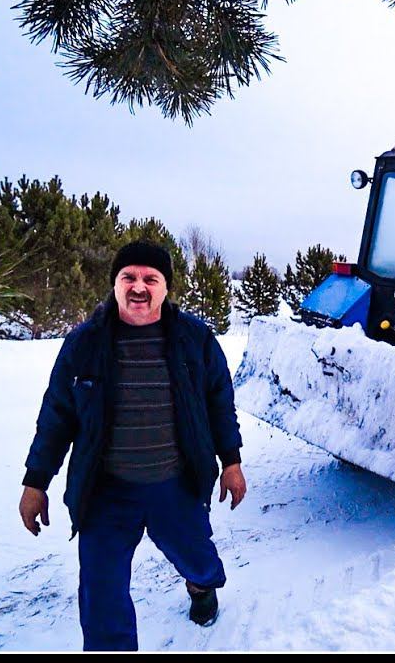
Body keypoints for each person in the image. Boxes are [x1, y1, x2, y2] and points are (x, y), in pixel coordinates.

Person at [18, 240, 247, 651]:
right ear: (115, 284)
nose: (138, 286)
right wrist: (36, 482)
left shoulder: (194, 339)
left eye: (150, 278)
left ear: (165, 288)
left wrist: (231, 461)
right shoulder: (84, 344)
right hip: (106, 492)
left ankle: (202, 586)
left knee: (198, 558)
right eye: (129, 277)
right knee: (101, 595)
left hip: (175, 485)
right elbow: (57, 415)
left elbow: (218, 402)